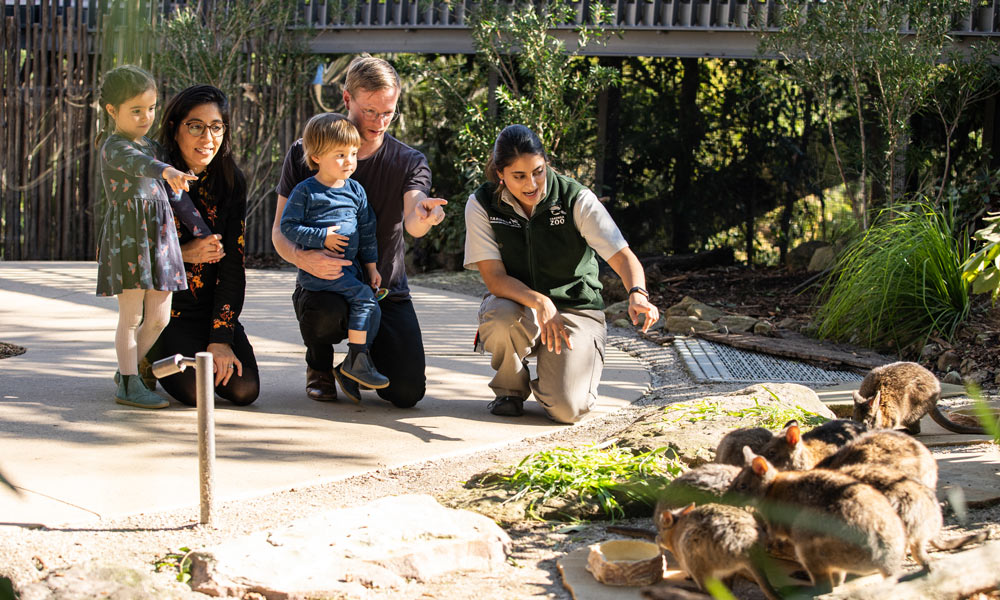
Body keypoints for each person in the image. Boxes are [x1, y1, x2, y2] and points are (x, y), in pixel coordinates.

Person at [273, 55, 447, 406]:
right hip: (326, 283)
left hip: (385, 288)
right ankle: (319, 364)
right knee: (324, 314)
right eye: (370, 111)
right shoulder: (306, 152)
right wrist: (303, 258)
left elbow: (414, 217)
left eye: (388, 112)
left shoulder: (408, 161)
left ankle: (353, 364)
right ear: (347, 98)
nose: (379, 122)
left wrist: (424, 217)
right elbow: (280, 231)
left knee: (406, 392)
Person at [464, 124, 660, 423]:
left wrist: (638, 294)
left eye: (538, 171)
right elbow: (495, 279)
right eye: (519, 176)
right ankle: (510, 389)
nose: (532, 184)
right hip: (520, 304)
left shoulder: (575, 198)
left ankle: (557, 373)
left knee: (568, 410)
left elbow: (623, 257)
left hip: (576, 310)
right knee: (501, 317)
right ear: (500, 174)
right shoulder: (481, 203)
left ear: (547, 163)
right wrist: (541, 303)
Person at [95, 64, 203, 409]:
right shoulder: (114, 146)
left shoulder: (152, 146)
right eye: (136, 110)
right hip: (130, 236)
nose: (146, 117)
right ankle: (128, 383)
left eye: (152, 108)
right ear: (112, 111)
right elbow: (138, 164)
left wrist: (201, 229)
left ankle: (126, 370)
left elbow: (175, 196)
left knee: (159, 316)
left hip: (160, 238)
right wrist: (168, 170)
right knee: (131, 316)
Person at [146, 84, 260, 407]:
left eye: (216, 127)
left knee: (244, 389)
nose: (207, 138)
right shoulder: (152, 175)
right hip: (165, 311)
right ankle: (146, 351)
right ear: (174, 127)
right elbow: (122, 254)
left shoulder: (230, 181)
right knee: (199, 393)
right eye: (195, 126)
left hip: (210, 311)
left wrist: (221, 337)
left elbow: (232, 264)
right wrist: (183, 254)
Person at [280, 115, 388, 391]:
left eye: (353, 153)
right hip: (318, 275)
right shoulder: (306, 191)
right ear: (316, 157)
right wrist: (321, 237)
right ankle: (354, 362)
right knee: (364, 299)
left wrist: (372, 267)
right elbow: (288, 227)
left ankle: (355, 363)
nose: (349, 161)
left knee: (371, 306)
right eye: (340, 155)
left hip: (348, 271)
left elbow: (366, 231)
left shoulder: (356, 191)